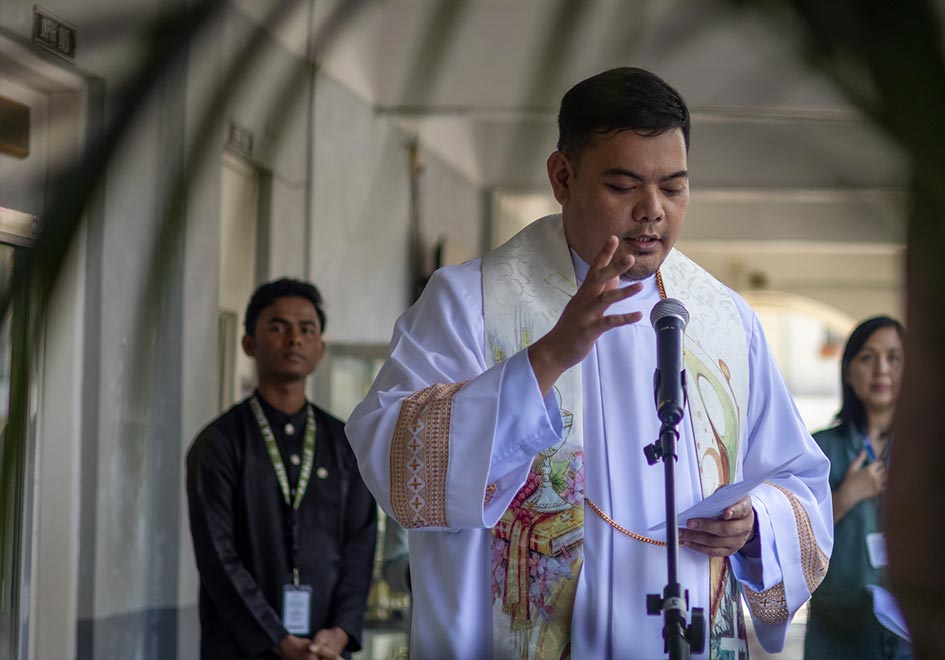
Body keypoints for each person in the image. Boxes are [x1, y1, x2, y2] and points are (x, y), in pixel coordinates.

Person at [345, 66, 833, 659]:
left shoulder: (725, 320)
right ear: (562, 176)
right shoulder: (469, 301)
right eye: (624, 186)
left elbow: (799, 480)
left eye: (674, 188)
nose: (652, 211)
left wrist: (755, 523)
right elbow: (393, 456)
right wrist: (547, 358)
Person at [186, 279, 378, 660]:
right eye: (278, 326)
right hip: (241, 648)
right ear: (248, 344)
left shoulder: (344, 441)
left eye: (306, 329)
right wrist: (278, 639)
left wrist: (339, 633)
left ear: (320, 349)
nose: (294, 339)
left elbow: (361, 544)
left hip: (325, 651)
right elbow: (217, 557)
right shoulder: (219, 443)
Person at [805, 316, 911, 660]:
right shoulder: (819, 449)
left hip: (912, 632)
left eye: (894, 358)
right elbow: (795, 534)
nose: (882, 369)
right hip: (837, 634)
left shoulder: (928, 450)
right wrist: (847, 495)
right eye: (868, 357)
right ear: (848, 372)